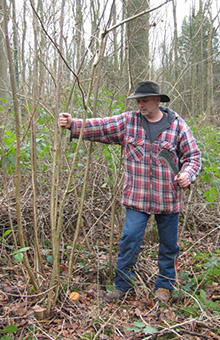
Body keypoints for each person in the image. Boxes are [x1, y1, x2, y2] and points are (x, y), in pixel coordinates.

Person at [59, 80, 201, 303]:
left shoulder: (177, 125)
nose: (140, 105)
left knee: (168, 246)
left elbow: (193, 157)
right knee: (129, 240)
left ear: (157, 101)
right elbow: (102, 127)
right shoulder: (129, 121)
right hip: (137, 198)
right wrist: (73, 124)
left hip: (169, 200)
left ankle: (164, 287)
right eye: (138, 101)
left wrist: (187, 174)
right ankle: (123, 286)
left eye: (144, 100)